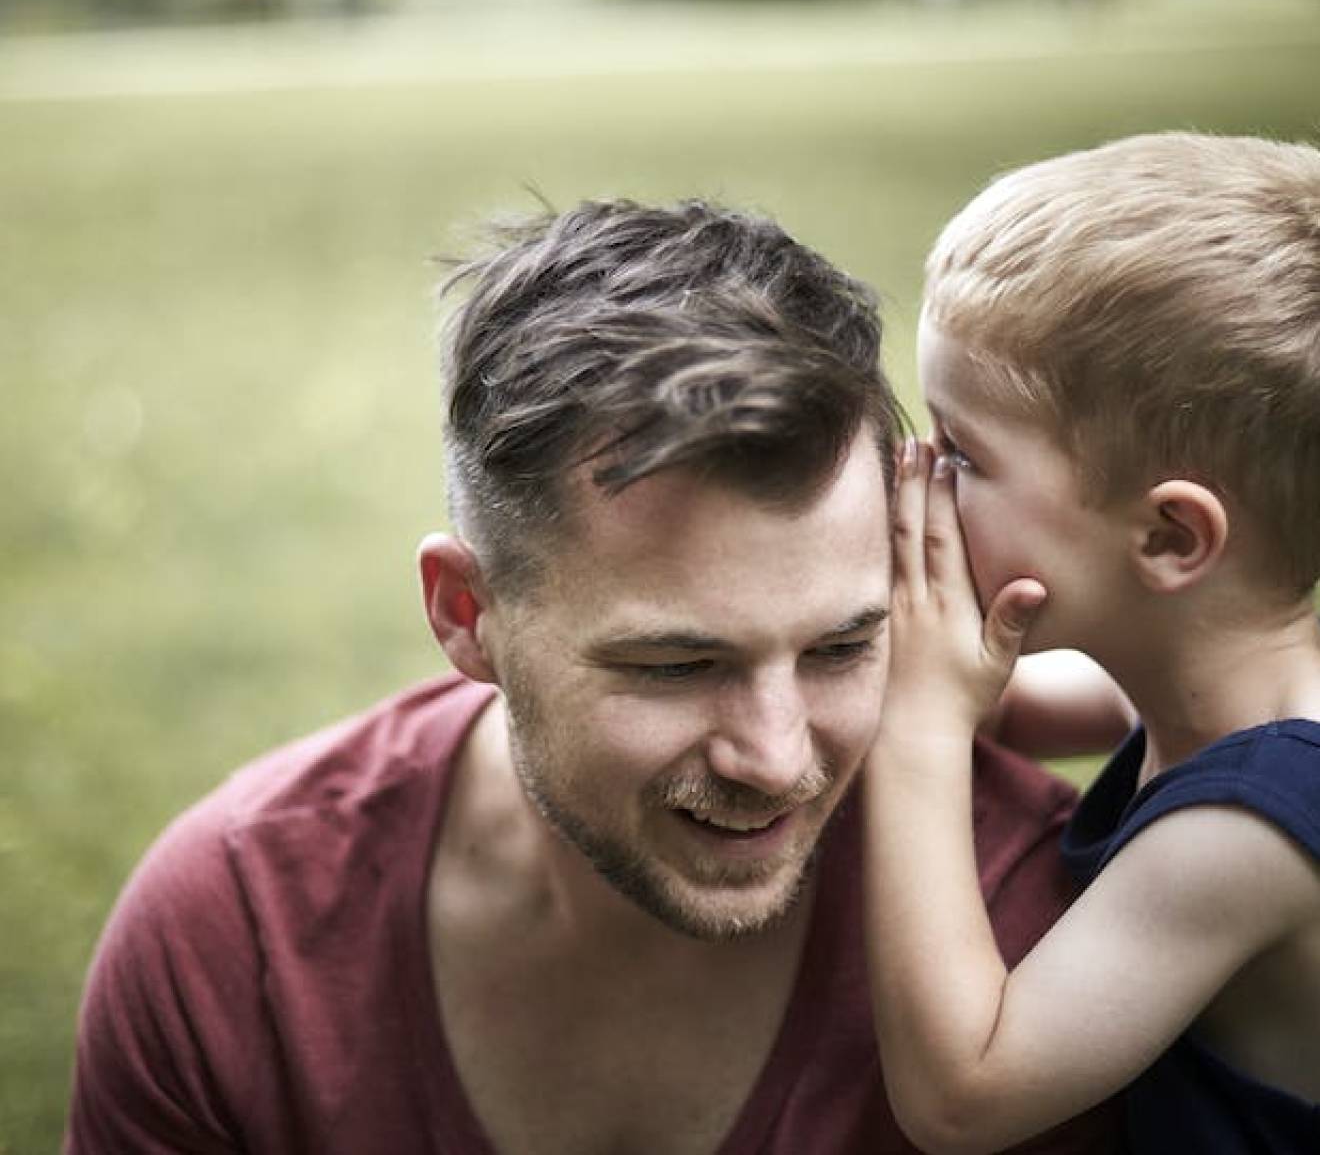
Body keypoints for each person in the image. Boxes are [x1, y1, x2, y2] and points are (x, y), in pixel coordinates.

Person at [66, 199, 1121, 1153]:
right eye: (676, 664)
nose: (776, 755)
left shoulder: (1040, 947)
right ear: (466, 615)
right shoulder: (237, 938)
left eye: (843, 648)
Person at [865, 132, 1320, 1154]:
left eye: (964, 453)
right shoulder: (1219, 692)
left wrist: (918, 729)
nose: (921, 476)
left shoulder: (1249, 838)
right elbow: (1018, 704)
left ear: (1167, 538)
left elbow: (963, 1095)